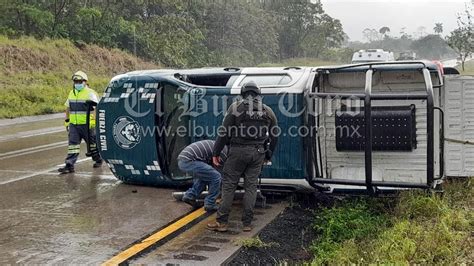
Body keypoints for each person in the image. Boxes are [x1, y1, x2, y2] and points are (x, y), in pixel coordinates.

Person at [207, 81, 278, 232]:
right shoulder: (268, 111)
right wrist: (269, 154)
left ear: (243, 93)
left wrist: (216, 153)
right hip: (258, 153)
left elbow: (224, 132)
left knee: (229, 185)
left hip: (238, 152)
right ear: (258, 94)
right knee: (251, 187)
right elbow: (275, 135)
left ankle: (222, 222)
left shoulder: (235, 108)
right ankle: (247, 223)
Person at [58, 71, 102, 174]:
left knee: (92, 145)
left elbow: (97, 108)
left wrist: (94, 122)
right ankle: (69, 165)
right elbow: (68, 108)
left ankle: (98, 159)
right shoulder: (71, 93)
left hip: (88, 125)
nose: (77, 83)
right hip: (74, 125)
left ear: (85, 82)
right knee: (73, 145)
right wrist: (67, 121)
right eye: (75, 81)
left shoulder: (91, 93)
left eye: (79, 81)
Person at [178, 140, 228, 212]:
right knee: (216, 177)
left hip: (184, 160)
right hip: (189, 161)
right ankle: (210, 204)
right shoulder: (223, 154)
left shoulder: (221, 147)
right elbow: (220, 175)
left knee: (205, 177)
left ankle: (190, 196)